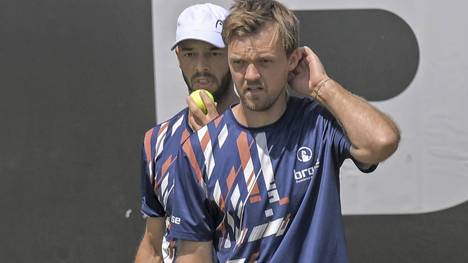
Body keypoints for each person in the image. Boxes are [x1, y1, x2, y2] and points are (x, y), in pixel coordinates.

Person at [169, 0, 400, 262]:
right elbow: (193, 256)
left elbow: (382, 141)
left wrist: (322, 86)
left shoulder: (318, 124)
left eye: (265, 61)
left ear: (292, 61)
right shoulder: (198, 149)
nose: (251, 75)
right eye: (239, 63)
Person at [134, 3, 238, 263]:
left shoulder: (259, 133)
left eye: (213, 53)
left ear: (233, 55)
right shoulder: (157, 141)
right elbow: (153, 245)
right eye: (191, 54)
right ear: (179, 56)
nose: (201, 66)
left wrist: (218, 144)